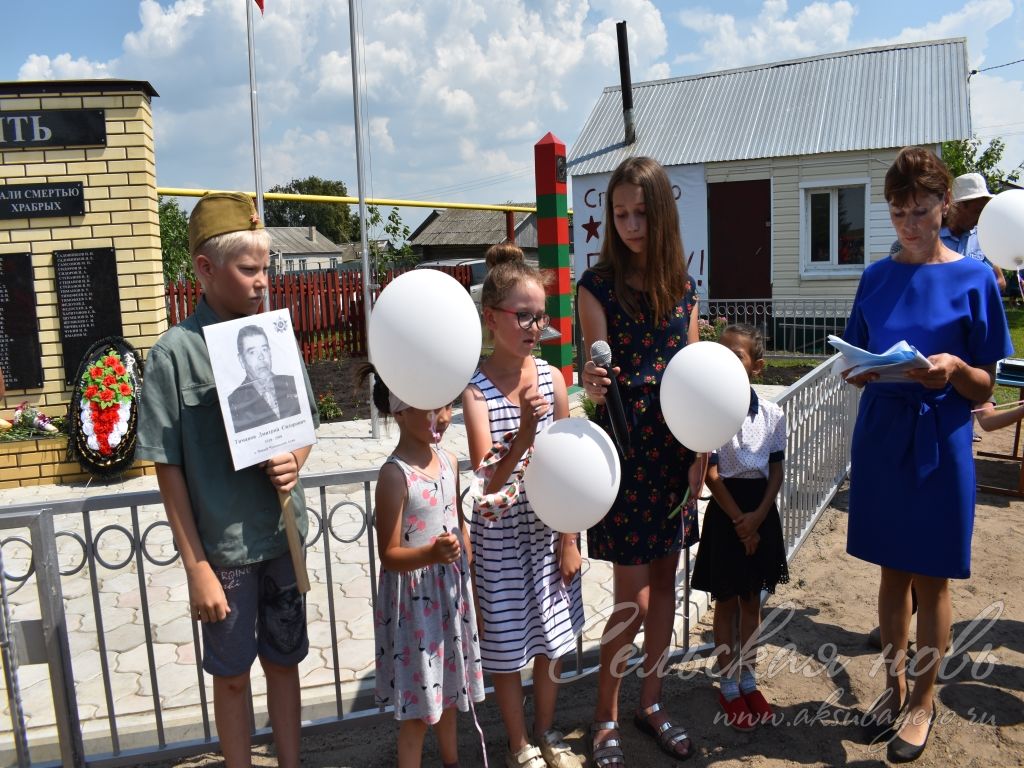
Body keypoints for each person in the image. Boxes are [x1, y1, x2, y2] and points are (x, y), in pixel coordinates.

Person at [136, 192, 319, 768]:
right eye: (249, 270)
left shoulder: (277, 337)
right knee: (233, 677)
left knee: (286, 664)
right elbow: (169, 469)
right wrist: (196, 569)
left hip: (282, 537)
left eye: (267, 268)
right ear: (205, 269)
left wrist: (297, 458)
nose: (263, 281)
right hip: (226, 554)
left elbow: (302, 424)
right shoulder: (174, 356)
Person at [841, 148, 1012, 763]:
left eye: (921, 210)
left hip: (940, 441)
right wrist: (859, 371)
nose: (910, 224)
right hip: (884, 436)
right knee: (890, 574)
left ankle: (922, 700)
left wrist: (956, 369)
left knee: (932, 577)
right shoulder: (875, 277)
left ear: (945, 205)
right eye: (897, 212)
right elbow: (854, 354)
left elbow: (987, 384)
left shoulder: (974, 278)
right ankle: (889, 691)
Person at [577, 156, 700, 765]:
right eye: (619, 213)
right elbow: (593, 365)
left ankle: (651, 703)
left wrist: (703, 452)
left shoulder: (683, 286)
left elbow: (699, 376)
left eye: (639, 213)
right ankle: (604, 715)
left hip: (676, 457)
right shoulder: (594, 287)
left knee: (665, 592)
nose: (628, 224)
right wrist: (593, 380)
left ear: (662, 213)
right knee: (633, 601)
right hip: (625, 454)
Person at [462, 243, 585, 768]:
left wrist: (570, 538)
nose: (535, 326)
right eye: (523, 316)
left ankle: (546, 732)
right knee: (510, 649)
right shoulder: (473, 391)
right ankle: (518, 745)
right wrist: (527, 431)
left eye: (541, 316)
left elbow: (570, 462)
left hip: (549, 533)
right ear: (492, 319)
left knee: (552, 643)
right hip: (500, 541)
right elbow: (486, 479)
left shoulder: (554, 378)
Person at [365, 364, 484, 768]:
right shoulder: (394, 476)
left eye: (446, 404)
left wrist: (463, 551)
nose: (444, 416)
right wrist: (431, 555)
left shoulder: (450, 460)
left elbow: (459, 525)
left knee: (450, 696)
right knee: (418, 711)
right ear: (399, 410)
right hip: (415, 608)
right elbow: (389, 554)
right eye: (429, 407)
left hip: (450, 597)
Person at [690, 324, 788, 732]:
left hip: (761, 514)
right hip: (727, 514)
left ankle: (749, 675)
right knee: (726, 601)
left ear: (757, 367)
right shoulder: (711, 413)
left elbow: (777, 471)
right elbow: (711, 474)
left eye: (739, 356)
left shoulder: (773, 414)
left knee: (753, 602)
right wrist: (739, 523)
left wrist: (757, 519)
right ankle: (728, 681)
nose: (730, 362)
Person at [227, 324, 302, 433]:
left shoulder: (292, 384)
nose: (261, 357)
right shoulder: (234, 402)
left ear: (270, 352)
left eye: (264, 349)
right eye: (252, 352)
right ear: (242, 360)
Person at [943, 172, 1006, 292]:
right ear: (956, 207)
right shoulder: (933, 239)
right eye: (977, 211)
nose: (981, 217)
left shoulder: (983, 237)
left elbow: (1000, 281)